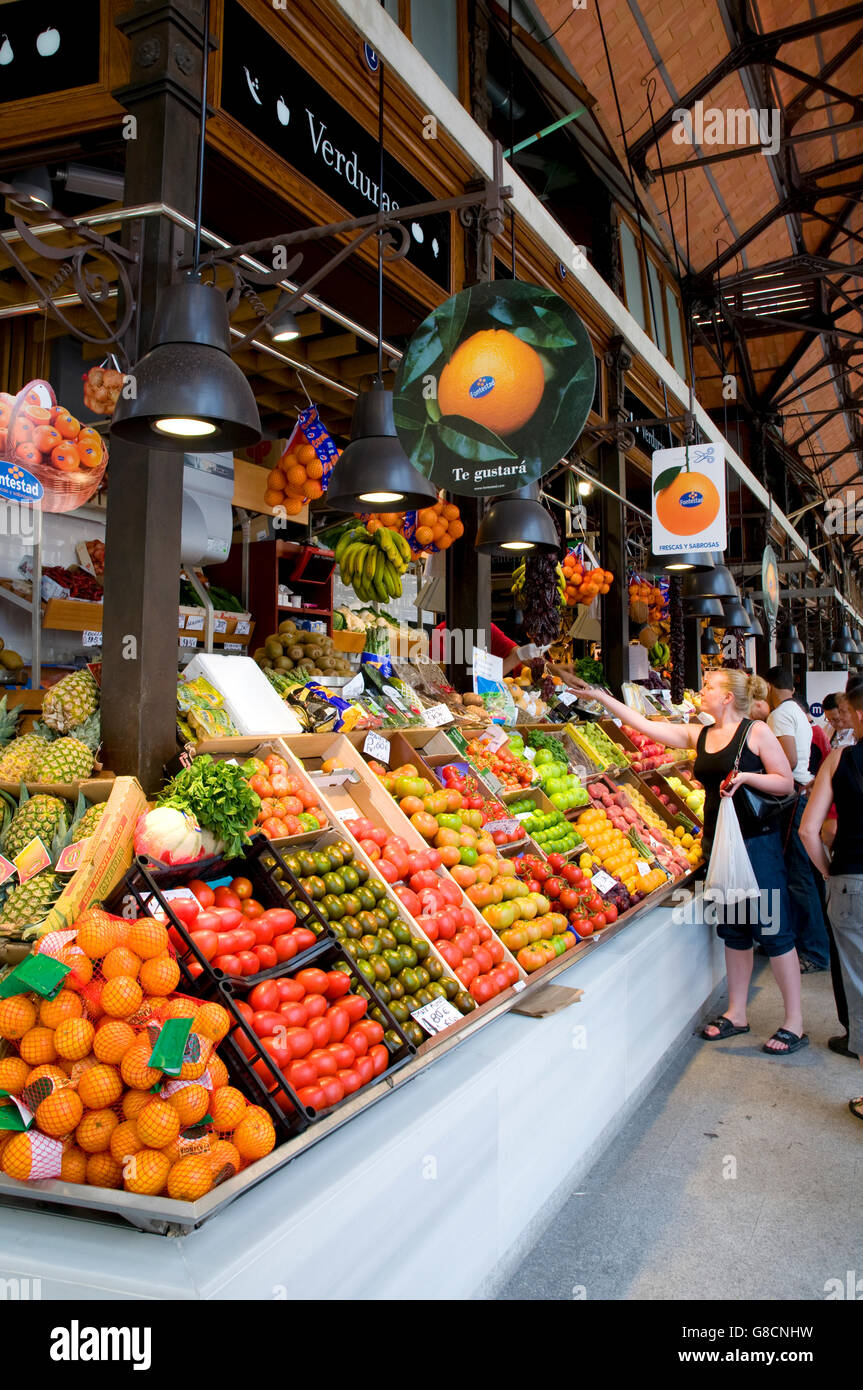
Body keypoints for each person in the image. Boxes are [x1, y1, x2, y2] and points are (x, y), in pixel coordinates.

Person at [568, 668, 804, 1054]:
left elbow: (785, 781)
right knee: (734, 929)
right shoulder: (702, 734)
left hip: (755, 843)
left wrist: (745, 777)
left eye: (709, 686)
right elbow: (643, 724)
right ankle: (737, 1013)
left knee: (774, 930)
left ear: (727, 697)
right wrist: (601, 698)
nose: (702, 690)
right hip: (719, 841)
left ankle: (794, 1021)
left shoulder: (755, 732)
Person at [800, 681, 863, 1110]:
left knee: (859, 988)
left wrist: (827, 871)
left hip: (851, 883)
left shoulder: (840, 760)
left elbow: (809, 829)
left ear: (857, 714)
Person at [765, 667, 830, 973]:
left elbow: (788, 761)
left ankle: (814, 951)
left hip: (792, 800)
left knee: (800, 877)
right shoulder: (797, 711)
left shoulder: (779, 715)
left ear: (768, 686)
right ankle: (817, 942)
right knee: (807, 876)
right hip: (803, 795)